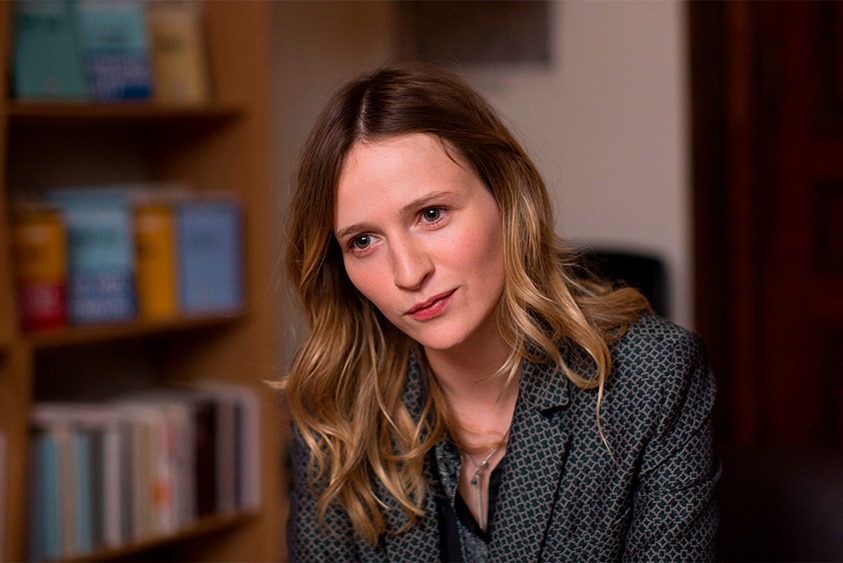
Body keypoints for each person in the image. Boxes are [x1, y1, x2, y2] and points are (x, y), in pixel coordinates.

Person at [281, 62, 719, 562]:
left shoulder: (649, 375)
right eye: (363, 241)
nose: (407, 273)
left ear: (507, 192)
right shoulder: (333, 409)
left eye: (430, 214)